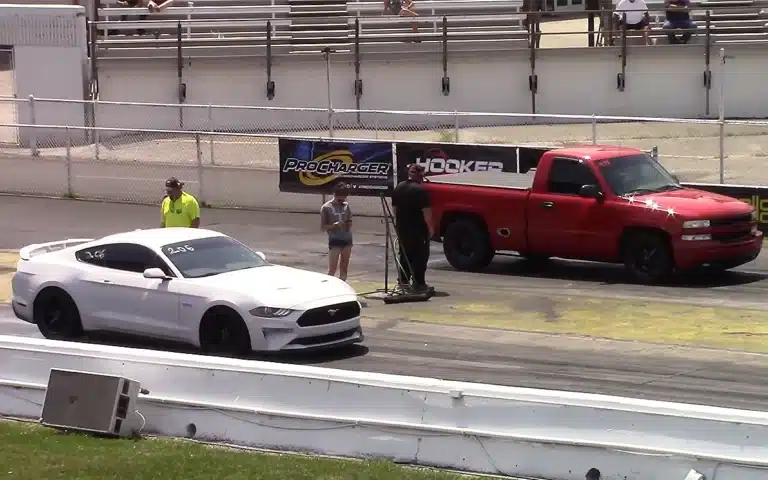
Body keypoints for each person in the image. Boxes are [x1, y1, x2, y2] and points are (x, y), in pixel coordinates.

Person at [391, 164, 434, 292]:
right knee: (420, 257)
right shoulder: (420, 191)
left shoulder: (398, 187)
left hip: (402, 228)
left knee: (405, 255)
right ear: (420, 175)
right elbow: (426, 212)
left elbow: (394, 210)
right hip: (418, 230)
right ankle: (419, 284)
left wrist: (400, 224)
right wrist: (431, 229)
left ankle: (403, 282)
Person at [320, 183, 353, 282]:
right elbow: (323, 227)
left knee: (344, 266)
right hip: (334, 240)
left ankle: (343, 282)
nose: (343, 200)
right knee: (332, 268)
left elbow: (350, 220)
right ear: (335, 195)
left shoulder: (346, 206)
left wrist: (347, 224)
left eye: (345, 197)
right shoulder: (326, 208)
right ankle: (329, 286)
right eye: (341, 197)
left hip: (347, 239)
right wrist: (335, 226)